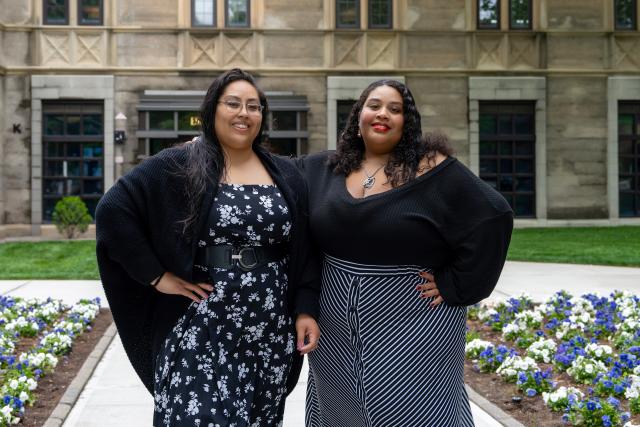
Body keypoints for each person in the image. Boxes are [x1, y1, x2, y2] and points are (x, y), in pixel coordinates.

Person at [95, 68, 321, 427]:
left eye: (253, 106)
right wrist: (155, 276)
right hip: (202, 328)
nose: (244, 113)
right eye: (232, 103)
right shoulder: (180, 163)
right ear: (212, 110)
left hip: (267, 332)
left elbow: (304, 248)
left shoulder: (285, 172)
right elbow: (112, 211)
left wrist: (305, 308)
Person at [297, 79, 513, 426]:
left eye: (395, 109)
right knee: (340, 409)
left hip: (415, 324)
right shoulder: (323, 168)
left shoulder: (431, 168)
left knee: (415, 412)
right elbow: (267, 179)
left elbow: (493, 216)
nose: (383, 114)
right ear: (358, 116)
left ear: (407, 122)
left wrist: (456, 285)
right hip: (335, 325)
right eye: (374, 105)